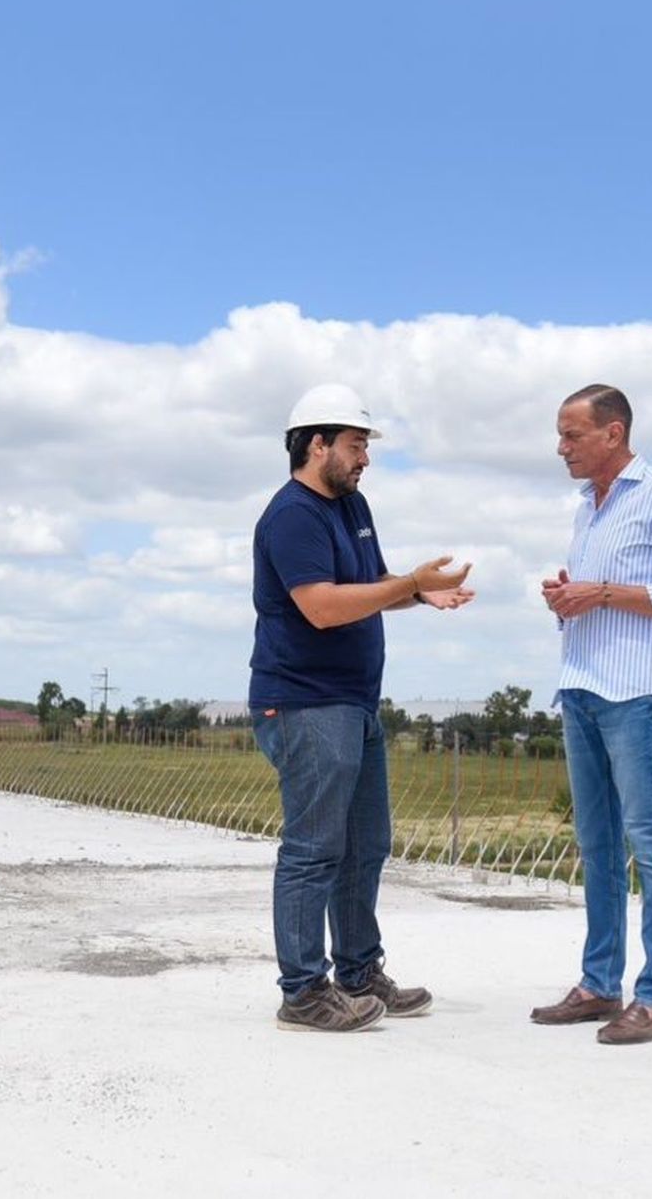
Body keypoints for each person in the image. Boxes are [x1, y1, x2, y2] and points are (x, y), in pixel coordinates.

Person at [250, 383, 475, 1032]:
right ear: (315, 444)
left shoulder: (353, 507)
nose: (364, 459)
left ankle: (356, 971)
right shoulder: (293, 515)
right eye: (355, 446)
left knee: (365, 846)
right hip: (303, 704)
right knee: (314, 848)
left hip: (353, 703)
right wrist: (405, 585)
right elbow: (321, 606)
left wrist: (418, 594)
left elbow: (370, 588)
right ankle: (302, 992)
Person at [532, 385, 652, 1046]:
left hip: (636, 696)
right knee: (598, 847)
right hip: (578, 687)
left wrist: (601, 592)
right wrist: (569, 597)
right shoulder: (587, 505)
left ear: (613, 433)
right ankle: (599, 983)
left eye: (572, 435)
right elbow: (600, 595)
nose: (562, 448)